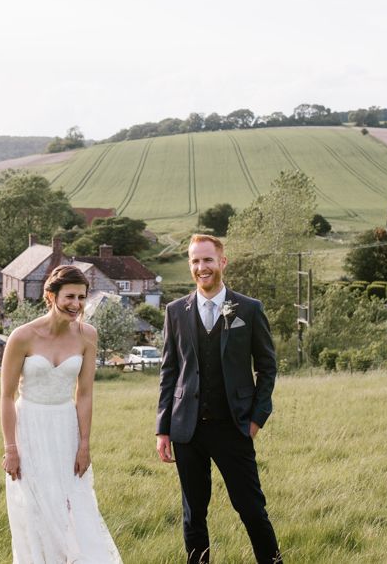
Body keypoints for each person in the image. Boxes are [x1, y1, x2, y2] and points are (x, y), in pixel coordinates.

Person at [156, 234, 282, 563]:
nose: (202, 267)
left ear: (222, 262)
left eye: (208, 260)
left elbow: (267, 368)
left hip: (234, 427)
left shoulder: (249, 309)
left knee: (252, 509)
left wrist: (256, 419)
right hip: (187, 430)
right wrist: (162, 428)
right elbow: (169, 371)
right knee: (193, 514)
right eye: (195, 261)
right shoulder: (175, 311)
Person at [0, 264, 122, 563]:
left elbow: (84, 393)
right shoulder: (22, 336)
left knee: (73, 507)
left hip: (65, 427)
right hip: (29, 427)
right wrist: (11, 449)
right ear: (50, 295)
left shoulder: (88, 336)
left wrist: (84, 444)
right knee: (34, 510)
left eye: (82, 298)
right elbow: (6, 395)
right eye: (69, 296)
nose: (76, 305)